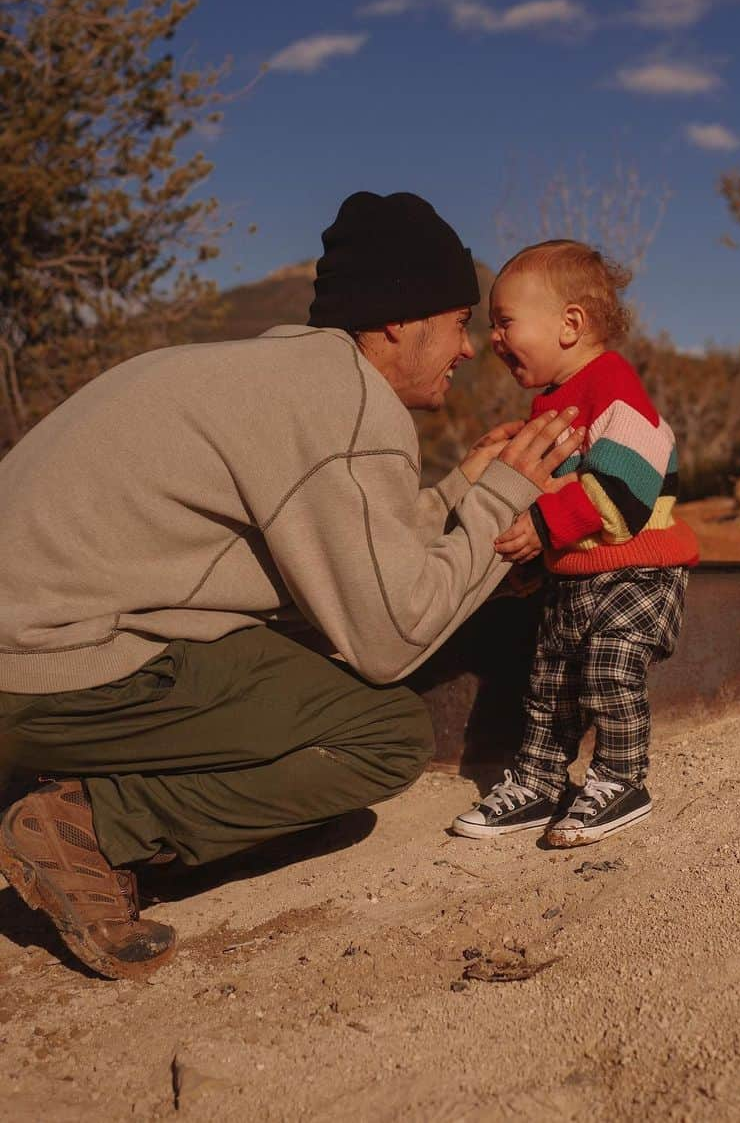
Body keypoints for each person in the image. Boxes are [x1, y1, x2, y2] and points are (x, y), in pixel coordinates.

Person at [0, 192, 583, 980]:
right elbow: (389, 637)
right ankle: (91, 823)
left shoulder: (291, 377)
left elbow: (342, 547)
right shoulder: (347, 406)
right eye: (457, 320)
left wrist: (454, 498)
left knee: (298, 648)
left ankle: (59, 771)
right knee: (384, 737)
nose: (471, 346)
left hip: (32, 648)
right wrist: (499, 501)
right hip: (46, 671)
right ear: (396, 321)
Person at [452, 240, 698, 846]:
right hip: (578, 576)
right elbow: (555, 491)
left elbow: (627, 486)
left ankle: (622, 777)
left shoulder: (612, 385)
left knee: (611, 670)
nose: (494, 339)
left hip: (637, 572)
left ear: (570, 324)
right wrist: (534, 553)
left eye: (506, 322)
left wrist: (541, 527)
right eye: (491, 326)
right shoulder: (552, 405)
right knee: (551, 683)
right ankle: (539, 780)